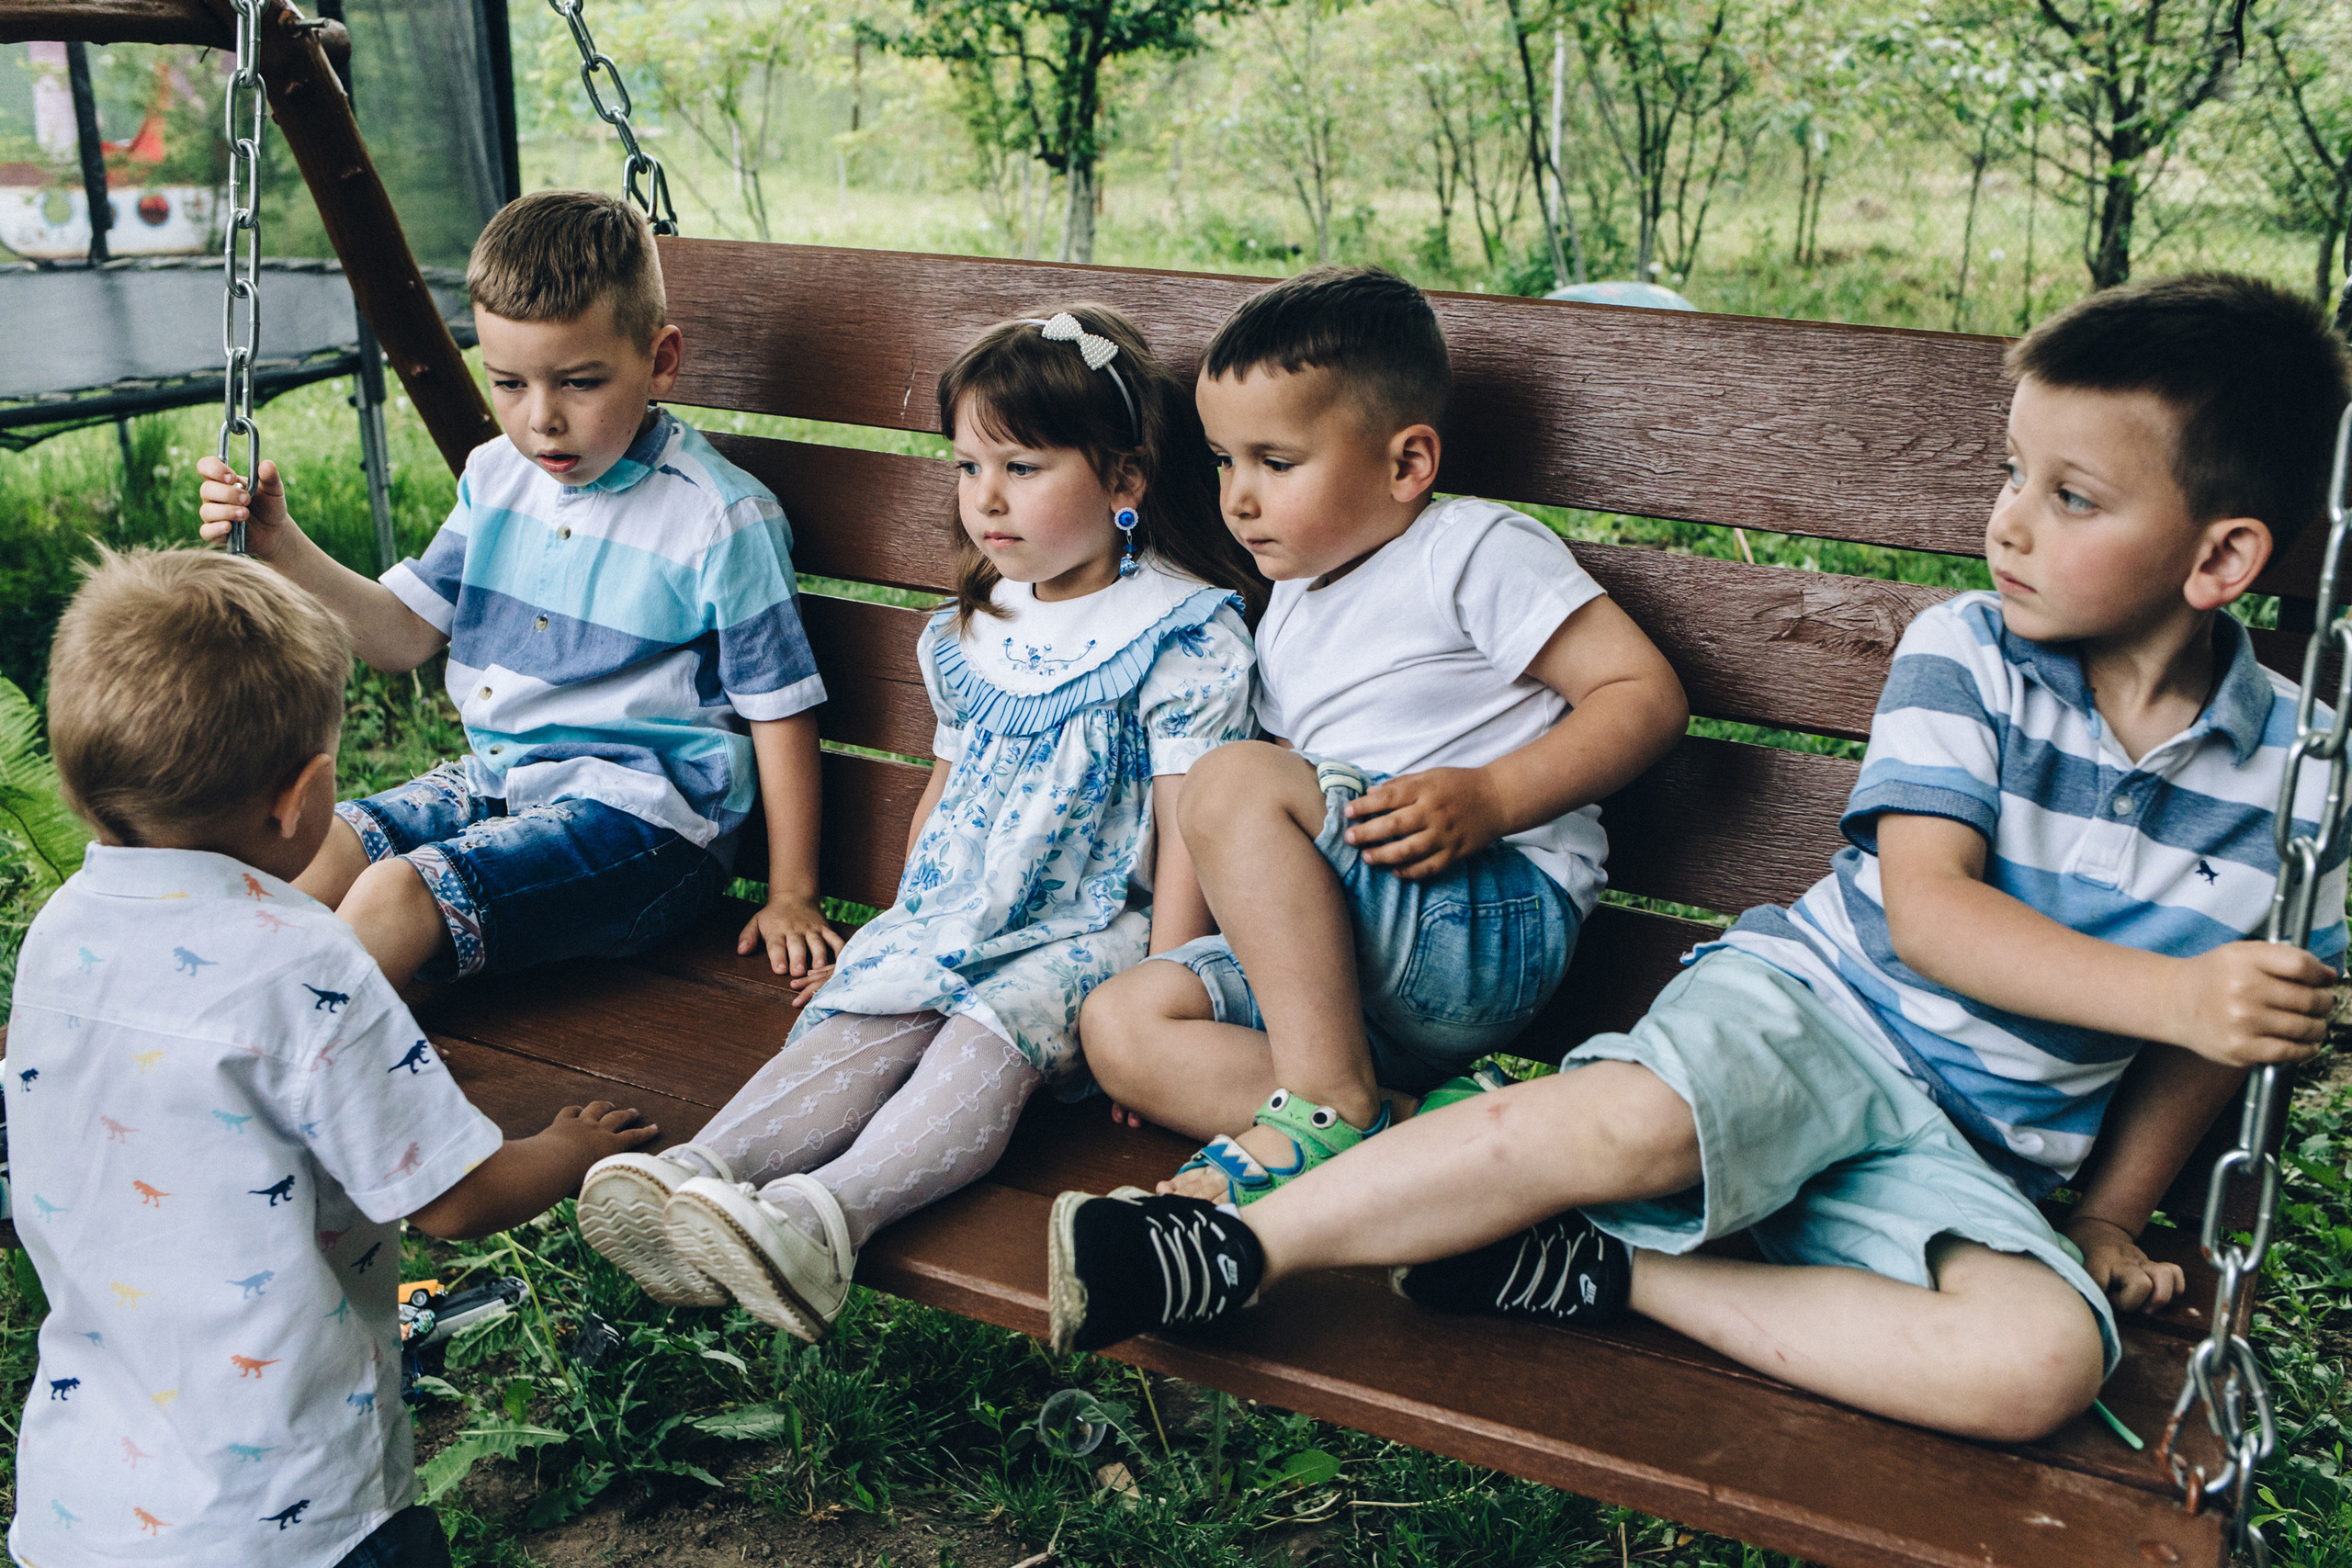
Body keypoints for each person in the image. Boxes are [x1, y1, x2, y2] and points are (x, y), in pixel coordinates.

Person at [1046, 273, 2352, 1445]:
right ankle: (1229, 1247)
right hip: (1814, 1019)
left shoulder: (2301, 785)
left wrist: (2115, 1206)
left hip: (1973, 1152)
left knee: (2042, 1360)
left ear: (2223, 555)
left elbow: (2214, 1034)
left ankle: (1608, 1269)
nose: (2008, 523)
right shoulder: (1973, 657)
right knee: (1631, 1119)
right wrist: (2177, 993)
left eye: (2069, 496)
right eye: (2012, 474)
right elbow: (1934, 917)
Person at [576, 305, 1266, 1341]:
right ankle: (697, 1180)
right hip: (959, 910)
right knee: (870, 1013)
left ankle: (824, 1221)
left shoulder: (1177, 636)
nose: (985, 500)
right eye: (965, 468)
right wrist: (900, 928)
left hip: (1093, 937)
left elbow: (1190, 836)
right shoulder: (977, 623)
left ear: (1125, 482)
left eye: (1022, 468)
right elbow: (946, 796)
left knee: (981, 1040)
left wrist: (1167, 1007)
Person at [7, 547, 660, 1567]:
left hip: (84, 1508)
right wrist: (566, 1148)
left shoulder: (59, 931)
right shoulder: (303, 959)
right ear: (302, 798)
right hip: (298, 1515)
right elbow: (448, 1197)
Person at [1076, 265, 1687, 1201]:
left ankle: (1325, 1103)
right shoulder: (1288, 606)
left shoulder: (1468, 549)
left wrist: (1492, 798)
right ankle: (1444, 1134)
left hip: (1480, 912)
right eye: (1223, 461)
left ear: (1406, 465)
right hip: (1348, 957)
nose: (1238, 498)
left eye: (1274, 464)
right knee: (1121, 1023)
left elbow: (1641, 694)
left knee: (1234, 777)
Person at [193, 189, 836, 991]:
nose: (541, 421)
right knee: (327, 854)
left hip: (646, 831)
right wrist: (281, 544)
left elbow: (781, 711)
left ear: (660, 360)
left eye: (579, 382)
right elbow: (402, 635)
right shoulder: (497, 477)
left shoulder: (717, 519)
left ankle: (287, 1073)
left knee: (396, 893)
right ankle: (194, 1030)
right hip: (501, 781)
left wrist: (791, 894)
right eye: (508, 384)